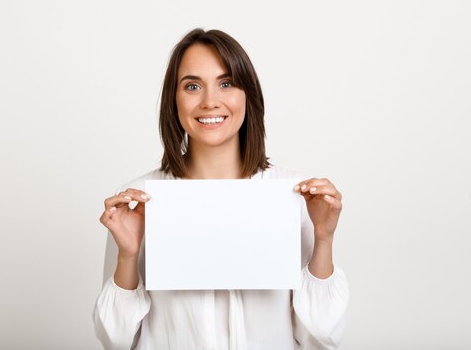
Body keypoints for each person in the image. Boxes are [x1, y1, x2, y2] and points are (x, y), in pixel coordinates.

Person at [92, 28, 349, 350]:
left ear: (248, 96)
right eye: (192, 86)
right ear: (173, 100)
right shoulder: (139, 197)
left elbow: (321, 337)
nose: (210, 101)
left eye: (226, 83)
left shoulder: (295, 195)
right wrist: (128, 256)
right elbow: (115, 340)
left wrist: (323, 239)